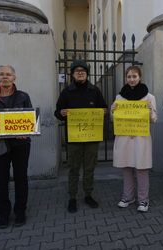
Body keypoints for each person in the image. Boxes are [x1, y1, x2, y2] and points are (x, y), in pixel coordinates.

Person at [0, 65, 32, 229]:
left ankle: (20, 212)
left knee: (21, 178)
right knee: (0, 180)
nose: (5, 77)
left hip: (20, 144)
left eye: (8, 74)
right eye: (1, 74)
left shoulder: (23, 96)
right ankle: (3, 214)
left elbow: (30, 120)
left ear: (14, 78)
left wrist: (27, 132)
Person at [54, 59, 107, 213]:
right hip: (74, 138)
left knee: (89, 167)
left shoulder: (95, 90)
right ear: (72, 74)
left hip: (91, 137)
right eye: (77, 71)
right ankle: (72, 197)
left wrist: (103, 111)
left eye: (83, 71)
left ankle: (88, 194)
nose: (80, 73)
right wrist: (62, 113)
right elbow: (57, 112)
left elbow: (103, 107)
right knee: (73, 168)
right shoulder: (66, 92)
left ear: (87, 74)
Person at [111, 65, 157, 212]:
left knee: (141, 169)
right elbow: (114, 119)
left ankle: (143, 200)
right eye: (129, 77)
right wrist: (112, 112)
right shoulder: (120, 97)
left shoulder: (149, 97)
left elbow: (154, 119)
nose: (131, 79)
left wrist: (150, 111)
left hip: (140, 139)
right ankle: (128, 197)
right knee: (127, 168)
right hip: (124, 138)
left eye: (134, 76)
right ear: (126, 78)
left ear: (139, 77)